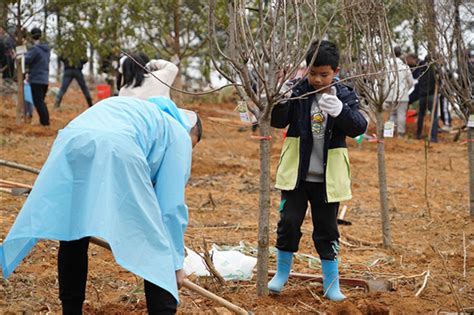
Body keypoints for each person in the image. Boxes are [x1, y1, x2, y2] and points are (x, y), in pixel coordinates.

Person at [0, 96, 202, 314]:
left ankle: (71, 310)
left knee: (73, 230)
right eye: (193, 145)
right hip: (117, 145)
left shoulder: (139, 112)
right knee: (153, 241)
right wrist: (175, 265)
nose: (190, 152)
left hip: (72, 138)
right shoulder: (179, 134)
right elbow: (170, 209)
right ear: (191, 131)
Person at [268, 40, 367, 301]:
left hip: (327, 180)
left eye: (324, 74)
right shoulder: (299, 92)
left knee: (326, 230)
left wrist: (341, 112)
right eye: (312, 73)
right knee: (288, 223)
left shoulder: (345, 95)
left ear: (336, 71)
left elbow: (359, 126)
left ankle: (331, 284)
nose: (317, 79)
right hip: (296, 176)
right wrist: (280, 100)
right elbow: (278, 122)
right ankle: (281, 274)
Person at [385, 46, 414, 137]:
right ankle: (400, 134)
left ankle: (388, 133)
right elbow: (411, 82)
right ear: (401, 54)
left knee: (391, 115)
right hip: (402, 95)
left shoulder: (387, 67)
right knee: (401, 114)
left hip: (390, 95)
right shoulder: (404, 67)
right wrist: (406, 89)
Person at [24, 27, 50, 126]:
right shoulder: (46, 50)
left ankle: (45, 123)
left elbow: (26, 60)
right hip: (44, 80)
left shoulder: (35, 49)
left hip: (36, 79)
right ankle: (45, 121)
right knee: (41, 102)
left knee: (38, 102)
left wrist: (19, 55)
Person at [416, 54, 439, 142]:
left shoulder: (421, 68)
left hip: (422, 95)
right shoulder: (434, 69)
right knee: (434, 116)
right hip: (431, 95)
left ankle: (418, 134)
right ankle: (433, 137)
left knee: (421, 115)